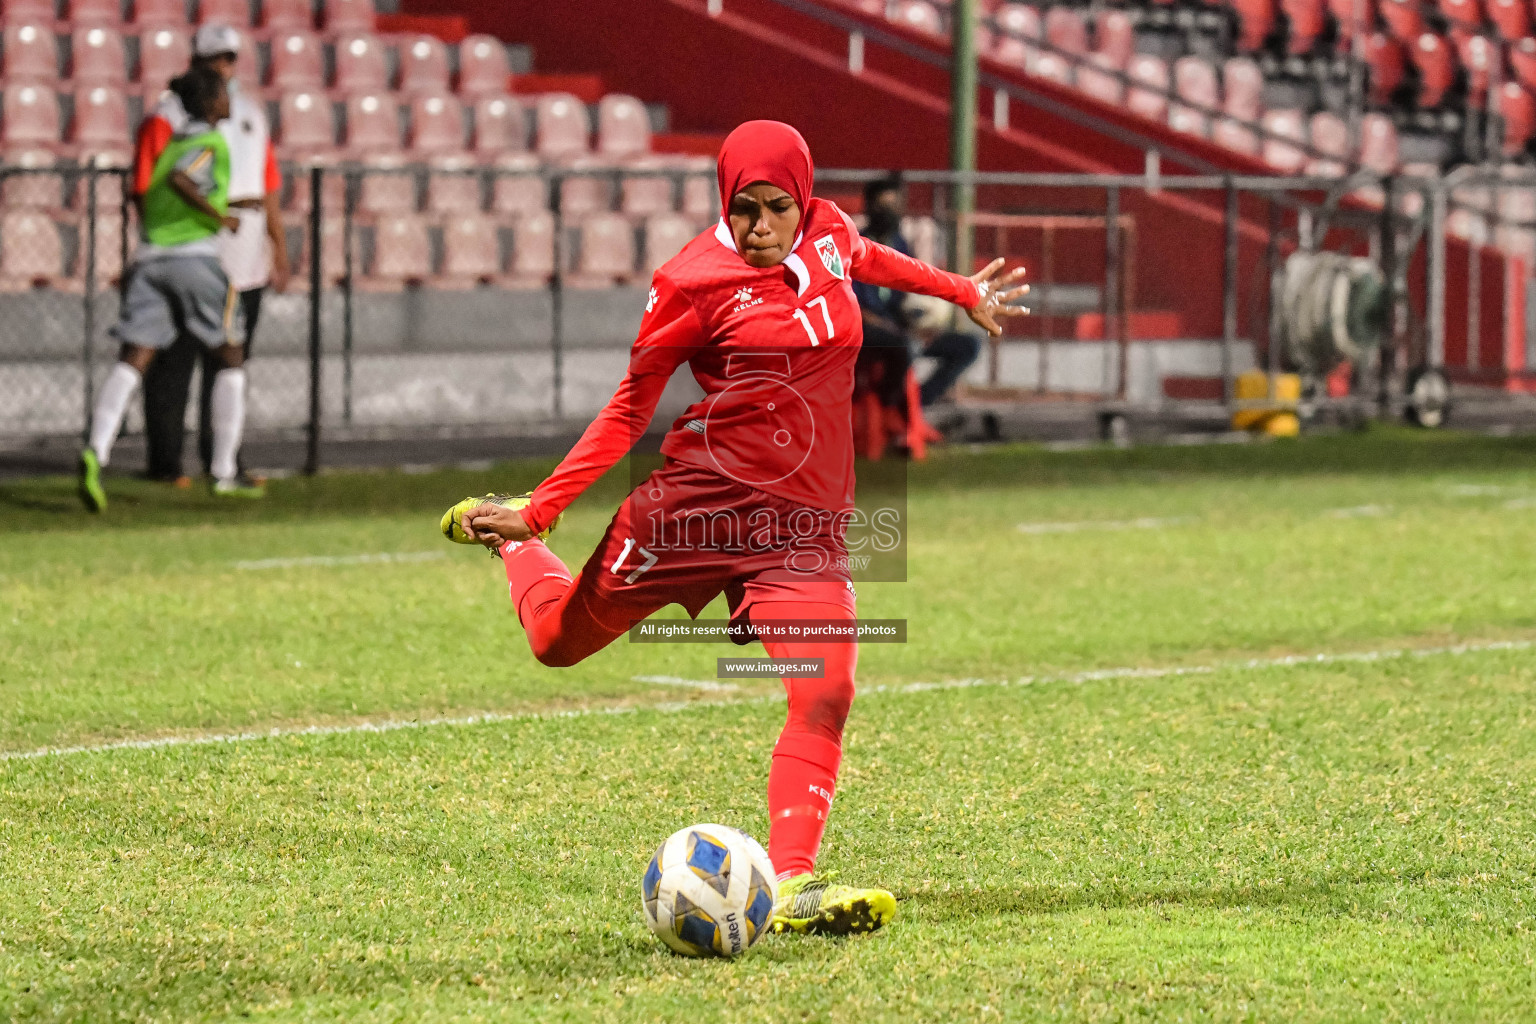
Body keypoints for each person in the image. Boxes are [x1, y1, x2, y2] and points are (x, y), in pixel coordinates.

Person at [437, 122, 1027, 936]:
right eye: (742, 208)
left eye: (775, 207)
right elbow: (631, 403)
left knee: (826, 690)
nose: (758, 227)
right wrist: (539, 511)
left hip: (802, 530)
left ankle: (792, 885)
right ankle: (515, 546)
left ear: (804, 200)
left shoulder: (829, 232)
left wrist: (959, 288)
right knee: (556, 644)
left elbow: (867, 258)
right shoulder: (689, 280)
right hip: (693, 513)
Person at [78, 68, 255, 512]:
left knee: (134, 358)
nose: (229, 96)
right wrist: (221, 219)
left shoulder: (173, 140)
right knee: (231, 354)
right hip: (194, 259)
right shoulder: (208, 142)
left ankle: (96, 452)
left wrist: (228, 204)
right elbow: (182, 179)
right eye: (222, 91)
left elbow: (169, 190)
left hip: (151, 260)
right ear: (212, 102)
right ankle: (223, 472)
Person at [136, 24, 288, 489]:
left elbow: (267, 185)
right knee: (174, 360)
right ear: (197, 62)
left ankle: (223, 459)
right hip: (189, 252)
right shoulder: (167, 115)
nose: (224, 67)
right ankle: (166, 463)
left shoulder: (250, 114)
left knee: (230, 362)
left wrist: (278, 246)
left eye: (230, 58)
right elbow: (148, 186)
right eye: (215, 59)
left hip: (244, 259)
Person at [854, 177, 985, 410]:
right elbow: (855, 309)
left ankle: (914, 406)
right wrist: (899, 332)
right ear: (869, 207)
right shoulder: (855, 246)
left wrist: (919, 327)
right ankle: (887, 407)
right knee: (905, 346)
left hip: (899, 329)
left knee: (968, 345)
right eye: (883, 206)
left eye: (895, 206)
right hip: (866, 331)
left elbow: (907, 293)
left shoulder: (899, 244)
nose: (889, 213)